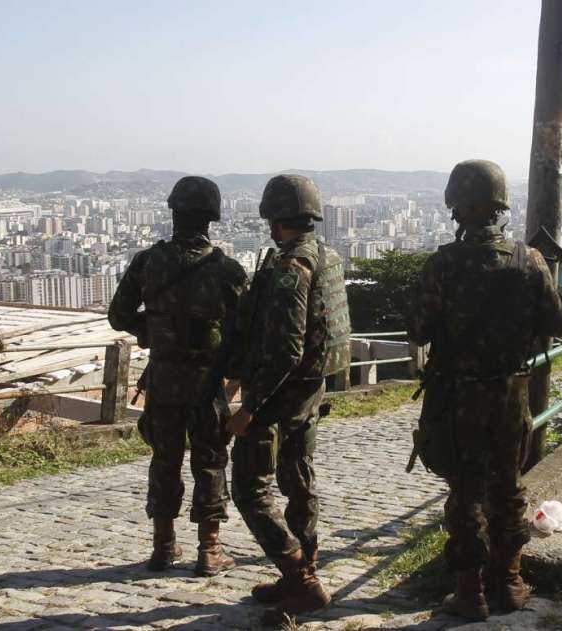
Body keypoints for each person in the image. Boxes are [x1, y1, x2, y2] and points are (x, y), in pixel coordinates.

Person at [409, 159, 562, 621]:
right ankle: (511, 581)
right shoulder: (530, 261)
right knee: (508, 487)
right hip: (511, 393)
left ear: (456, 207)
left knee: (465, 492)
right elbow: (557, 322)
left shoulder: (441, 265)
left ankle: (469, 591)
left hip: (457, 398)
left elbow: (418, 332)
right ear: (500, 206)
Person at [225, 174, 350, 626]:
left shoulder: (290, 267)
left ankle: (301, 580)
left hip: (279, 394)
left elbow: (285, 348)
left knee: (249, 488)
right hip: (310, 389)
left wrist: (249, 407)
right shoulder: (328, 256)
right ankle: (303, 568)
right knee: (298, 478)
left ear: (274, 217)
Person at [108, 175, 248, 577]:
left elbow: (118, 316)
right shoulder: (226, 270)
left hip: (164, 377)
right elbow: (245, 329)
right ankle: (209, 550)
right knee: (210, 461)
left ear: (174, 212)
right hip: (208, 381)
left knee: (164, 459)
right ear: (212, 217)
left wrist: (151, 331)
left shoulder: (148, 262)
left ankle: (162, 548)